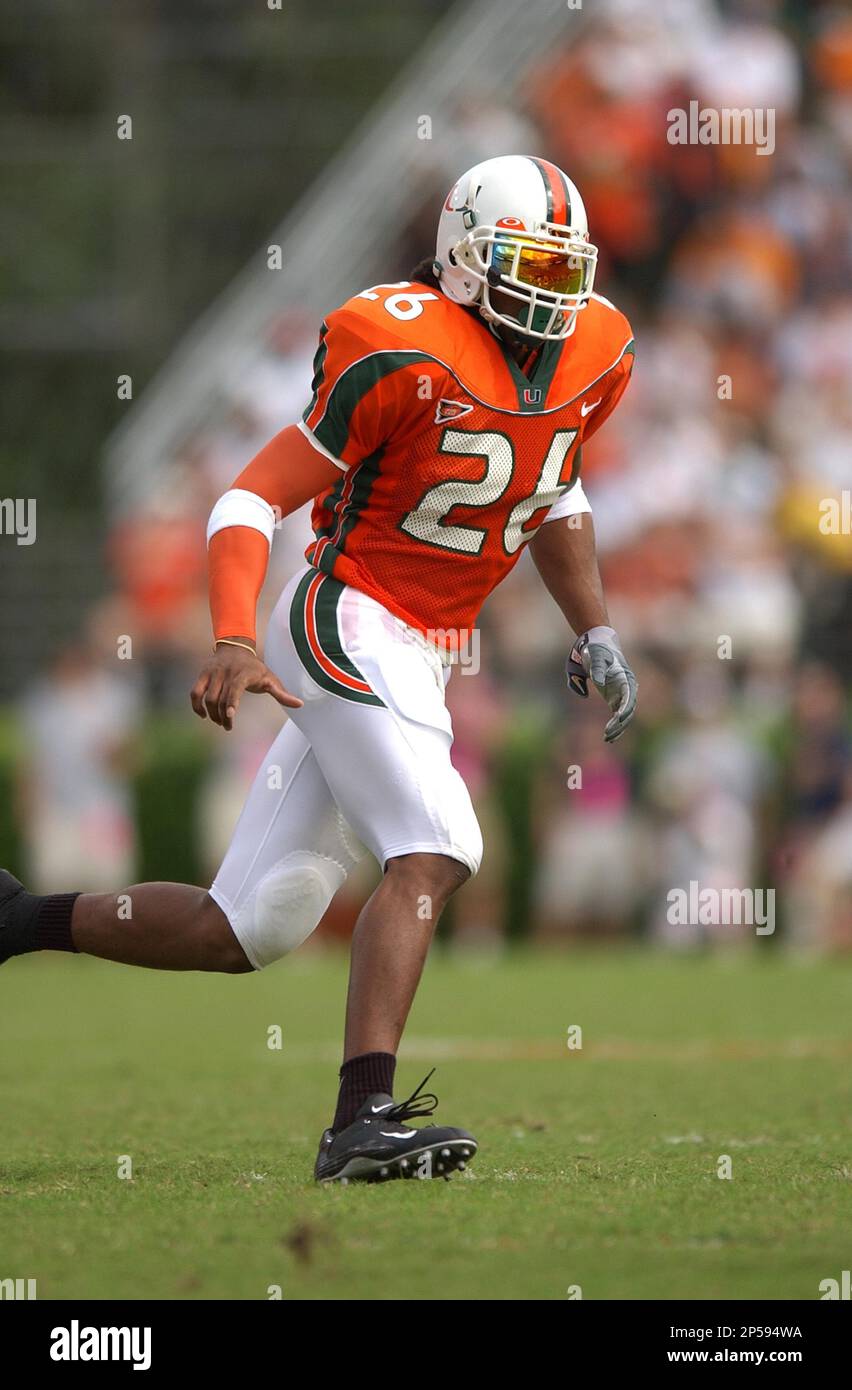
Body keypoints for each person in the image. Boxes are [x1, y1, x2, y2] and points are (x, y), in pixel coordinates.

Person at [1, 155, 637, 1184]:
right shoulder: (395, 341)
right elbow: (248, 498)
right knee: (435, 844)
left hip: (419, 651)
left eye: (569, 272)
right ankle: (361, 1120)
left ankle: (14, 917)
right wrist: (233, 632)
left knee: (247, 926)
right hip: (347, 611)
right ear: (468, 261)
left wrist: (594, 626)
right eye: (531, 268)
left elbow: (553, 486)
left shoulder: (599, 348)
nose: (558, 297)